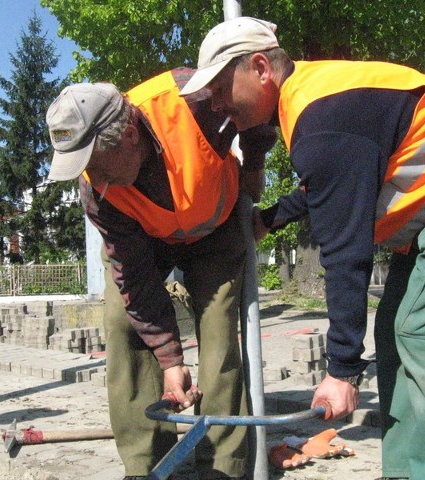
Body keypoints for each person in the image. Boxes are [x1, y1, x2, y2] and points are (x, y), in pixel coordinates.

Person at [180, 17, 425, 480]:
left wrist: (342, 370)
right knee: (392, 330)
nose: (221, 106)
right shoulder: (312, 102)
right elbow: (332, 187)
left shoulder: (322, 119)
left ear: (261, 67)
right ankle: (405, 472)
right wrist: (270, 218)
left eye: (223, 89)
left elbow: (345, 251)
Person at [46, 70, 276, 480]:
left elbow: (258, 111)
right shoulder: (96, 193)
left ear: (129, 136)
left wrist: (254, 166)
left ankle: (223, 466)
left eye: (96, 164)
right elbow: (133, 278)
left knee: (218, 327)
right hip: (148, 241)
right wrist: (170, 360)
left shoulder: (195, 98)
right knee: (122, 321)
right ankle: (145, 463)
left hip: (216, 227)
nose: (96, 180)